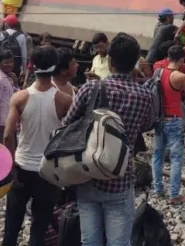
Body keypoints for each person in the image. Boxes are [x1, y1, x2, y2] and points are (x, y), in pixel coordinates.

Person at [61, 33, 155, 246]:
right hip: (121, 178)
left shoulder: (90, 88)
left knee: (90, 241)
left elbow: (66, 125)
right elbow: (147, 124)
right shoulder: (146, 96)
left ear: (110, 62)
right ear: (135, 63)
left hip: (87, 174)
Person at [2, 46, 73, 246]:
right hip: (48, 170)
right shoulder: (64, 100)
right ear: (55, 67)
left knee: (12, 224)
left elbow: (7, 135)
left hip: (22, 166)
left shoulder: (20, 98)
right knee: (40, 226)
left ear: (32, 66)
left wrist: (11, 166)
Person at [151, 45, 185, 205]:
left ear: (168, 57)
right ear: (182, 59)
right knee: (176, 158)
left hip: (159, 119)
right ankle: (174, 194)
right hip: (174, 120)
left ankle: (158, 189)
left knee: (157, 155)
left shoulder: (159, 72)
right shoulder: (181, 77)